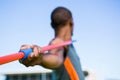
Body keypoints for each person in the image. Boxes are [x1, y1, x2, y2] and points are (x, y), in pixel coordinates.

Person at [19, 7, 85, 80]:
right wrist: (41, 58)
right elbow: (56, 57)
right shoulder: (57, 42)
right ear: (71, 22)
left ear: (52, 25)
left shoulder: (68, 44)